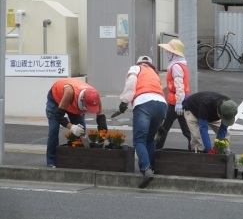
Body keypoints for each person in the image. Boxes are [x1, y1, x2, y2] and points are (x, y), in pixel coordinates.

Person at [118, 56, 167, 189]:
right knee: (150, 139)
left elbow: (132, 81)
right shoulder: (155, 74)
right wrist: (162, 122)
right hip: (161, 104)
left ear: (139, 63)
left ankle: (146, 169)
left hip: (144, 103)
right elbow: (159, 92)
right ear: (151, 64)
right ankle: (150, 167)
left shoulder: (136, 68)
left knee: (139, 140)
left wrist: (125, 100)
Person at [46, 78, 107, 167]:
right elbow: (58, 116)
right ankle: (51, 161)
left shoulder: (95, 96)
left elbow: (101, 119)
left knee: (81, 131)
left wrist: (102, 137)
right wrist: (72, 127)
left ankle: (77, 160)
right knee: (53, 131)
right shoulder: (69, 92)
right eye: (87, 106)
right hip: (56, 100)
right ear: (82, 100)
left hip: (74, 106)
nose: (88, 109)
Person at [156, 38, 191, 150]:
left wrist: (179, 103)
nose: (167, 53)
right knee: (186, 129)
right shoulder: (180, 64)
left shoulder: (176, 66)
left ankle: (156, 150)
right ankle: (196, 148)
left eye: (169, 51)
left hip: (176, 102)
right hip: (181, 101)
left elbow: (179, 86)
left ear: (174, 53)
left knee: (164, 127)